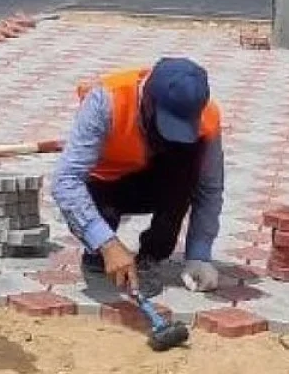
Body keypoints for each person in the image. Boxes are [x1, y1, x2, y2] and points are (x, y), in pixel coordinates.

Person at [50, 58, 225, 298]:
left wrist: (200, 255)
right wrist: (107, 244)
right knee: (101, 224)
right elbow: (65, 180)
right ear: (148, 100)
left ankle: (151, 256)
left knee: (186, 165)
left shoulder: (206, 116)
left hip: (151, 183)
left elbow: (210, 188)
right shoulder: (107, 99)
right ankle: (98, 253)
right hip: (104, 184)